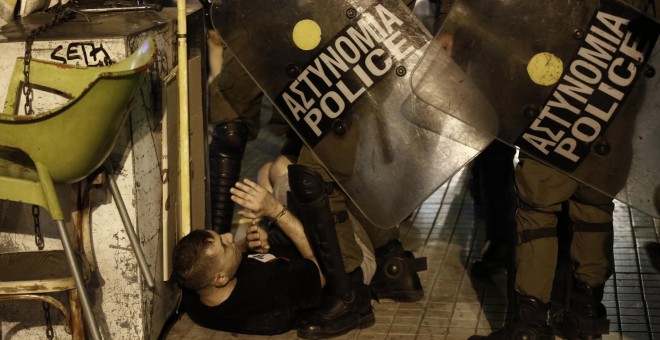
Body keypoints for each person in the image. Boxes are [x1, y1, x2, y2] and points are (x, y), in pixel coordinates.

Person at [205, 1, 428, 338]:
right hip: (316, 15)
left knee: (316, 162)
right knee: (324, 145)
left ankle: (349, 292)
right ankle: (392, 264)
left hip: (327, 14)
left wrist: (275, 214)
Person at [173, 180, 326, 335]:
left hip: (280, 248)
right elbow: (322, 266)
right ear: (220, 279)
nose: (228, 236)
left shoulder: (198, 291)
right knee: (289, 173)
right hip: (312, 244)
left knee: (268, 172)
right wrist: (275, 210)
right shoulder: (271, 294)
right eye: (224, 245)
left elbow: (210, 264)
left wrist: (245, 246)